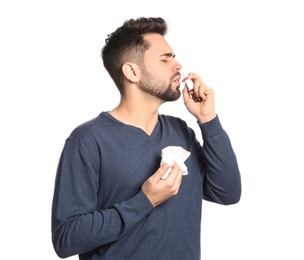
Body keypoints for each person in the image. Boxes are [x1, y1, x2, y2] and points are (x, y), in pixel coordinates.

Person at [51, 17, 241, 260]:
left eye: (174, 57)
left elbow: (227, 193)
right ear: (132, 71)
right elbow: (66, 239)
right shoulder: (88, 141)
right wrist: (145, 201)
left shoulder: (181, 131)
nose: (178, 65)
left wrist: (208, 119)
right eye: (165, 59)